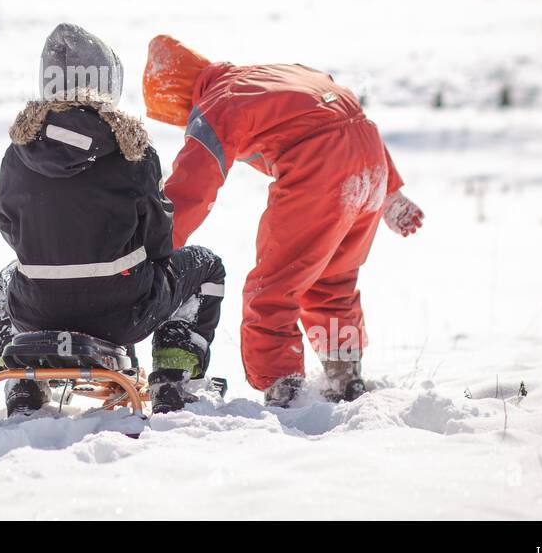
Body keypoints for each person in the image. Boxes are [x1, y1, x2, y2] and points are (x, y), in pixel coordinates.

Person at [142, 34, 424, 406]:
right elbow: (350, 119)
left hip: (321, 170)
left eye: (178, 116)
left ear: (178, 98)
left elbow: (193, 183)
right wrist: (389, 191)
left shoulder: (217, 103)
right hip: (369, 164)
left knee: (272, 289)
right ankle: (345, 379)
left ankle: (285, 390)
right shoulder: (267, 76)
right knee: (331, 282)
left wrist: (156, 243)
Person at [0, 23, 226, 415]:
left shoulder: (18, 153)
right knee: (206, 266)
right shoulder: (132, 149)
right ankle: (173, 378)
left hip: (37, 310)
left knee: (5, 281)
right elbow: (160, 240)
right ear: (107, 81)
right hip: (124, 313)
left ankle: (21, 385)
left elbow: (6, 221)